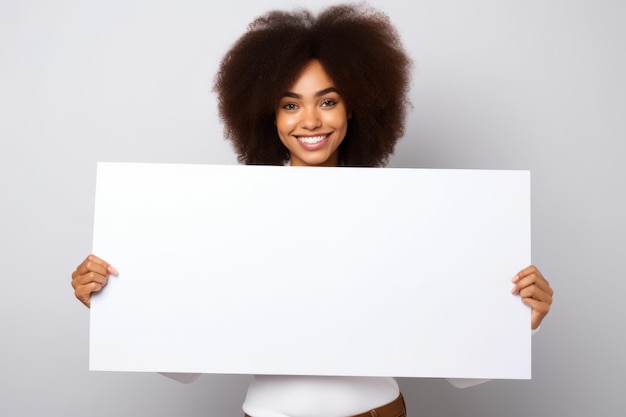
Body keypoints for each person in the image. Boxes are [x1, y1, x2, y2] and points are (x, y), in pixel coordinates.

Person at [71, 4, 554, 417]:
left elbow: (460, 370)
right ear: (266, 114)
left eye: (328, 101)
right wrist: (116, 304)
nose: (310, 121)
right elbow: (186, 359)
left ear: (356, 108)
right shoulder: (233, 214)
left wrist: (515, 319)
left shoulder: (407, 213)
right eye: (289, 105)